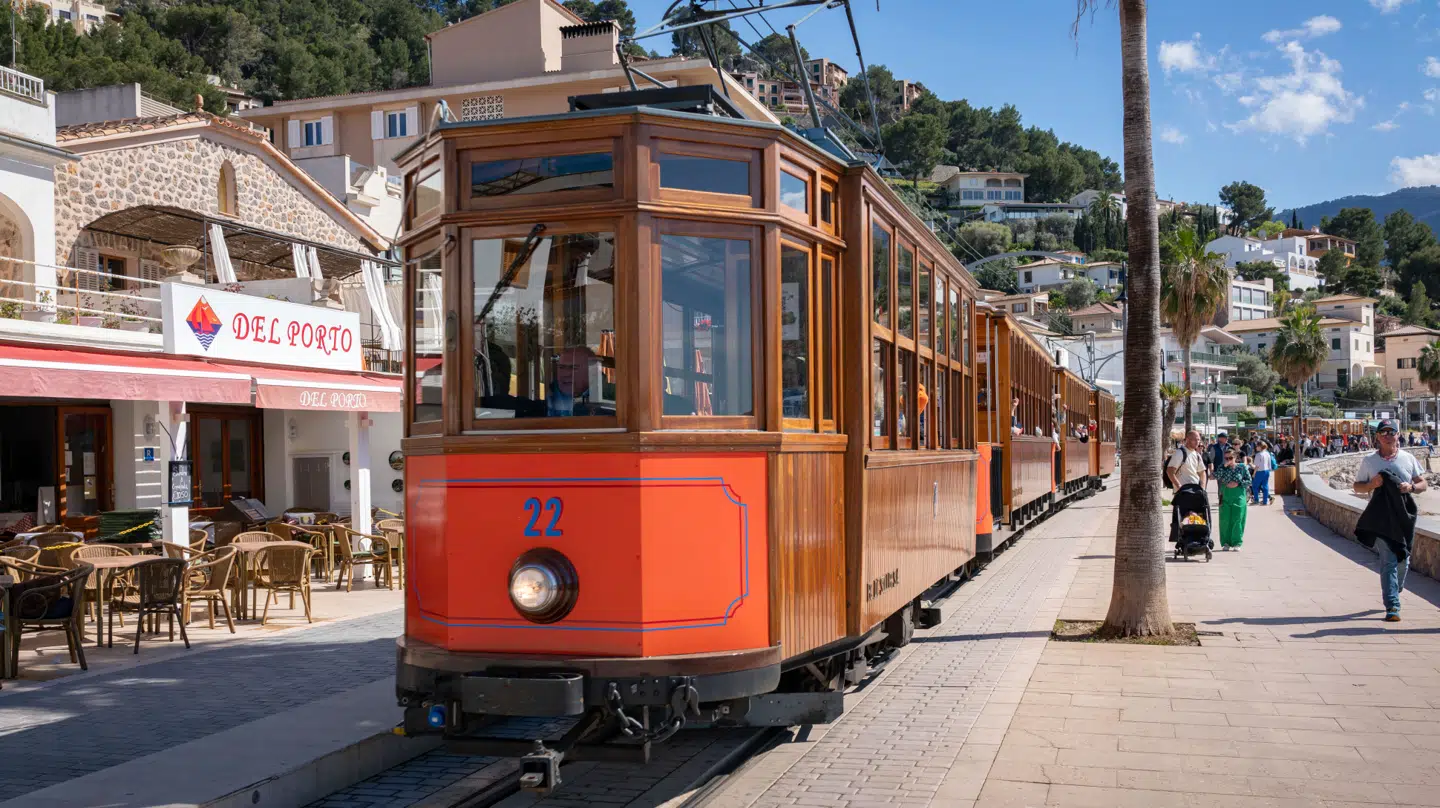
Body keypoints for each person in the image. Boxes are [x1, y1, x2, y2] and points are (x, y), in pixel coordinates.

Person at [1353, 420, 1429, 622]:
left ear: (1397, 435)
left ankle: (1396, 588)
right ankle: (1393, 606)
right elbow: (1357, 487)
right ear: (1377, 437)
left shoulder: (1408, 458)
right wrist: (1371, 484)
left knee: (1404, 560)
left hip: (1404, 517)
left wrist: (1411, 487)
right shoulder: (1369, 461)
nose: (1387, 435)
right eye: (1383, 432)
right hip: (1380, 519)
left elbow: (1423, 483)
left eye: (1391, 432)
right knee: (1389, 561)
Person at [547, 345, 615, 416]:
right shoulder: (554, 390)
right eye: (561, 367)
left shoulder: (611, 395)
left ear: (593, 372)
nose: (565, 374)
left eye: (573, 368)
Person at [1215, 448, 1252, 550]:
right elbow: (1215, 476)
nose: (1228, 460)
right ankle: (1226, 542)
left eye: (1230, 458)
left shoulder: (1242, 467)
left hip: (1239, 495)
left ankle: (1237, 542)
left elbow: (1249, 480)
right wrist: (1224, 467)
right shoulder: (1222, 467)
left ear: (1235, 457)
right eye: (1226, 458)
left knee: (1238, 518)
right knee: (1225, 519)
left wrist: (1238, 483)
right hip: (1225, 495)